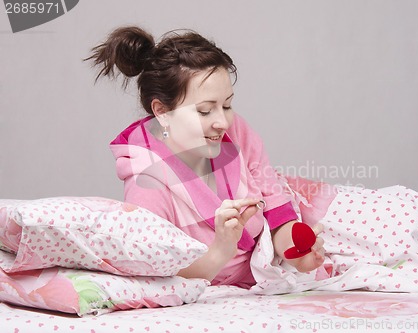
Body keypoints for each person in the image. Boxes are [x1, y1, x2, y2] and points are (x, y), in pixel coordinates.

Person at [86, 26, 326, 288]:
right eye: (204, 111)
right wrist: (220, 249)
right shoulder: (147, 181)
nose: (222, 122)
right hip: (208, 289)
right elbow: (156, 273)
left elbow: (275, 205)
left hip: (262, 273)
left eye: (226, 105)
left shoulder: (237, 133)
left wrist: (296, 251)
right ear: (162, 111)